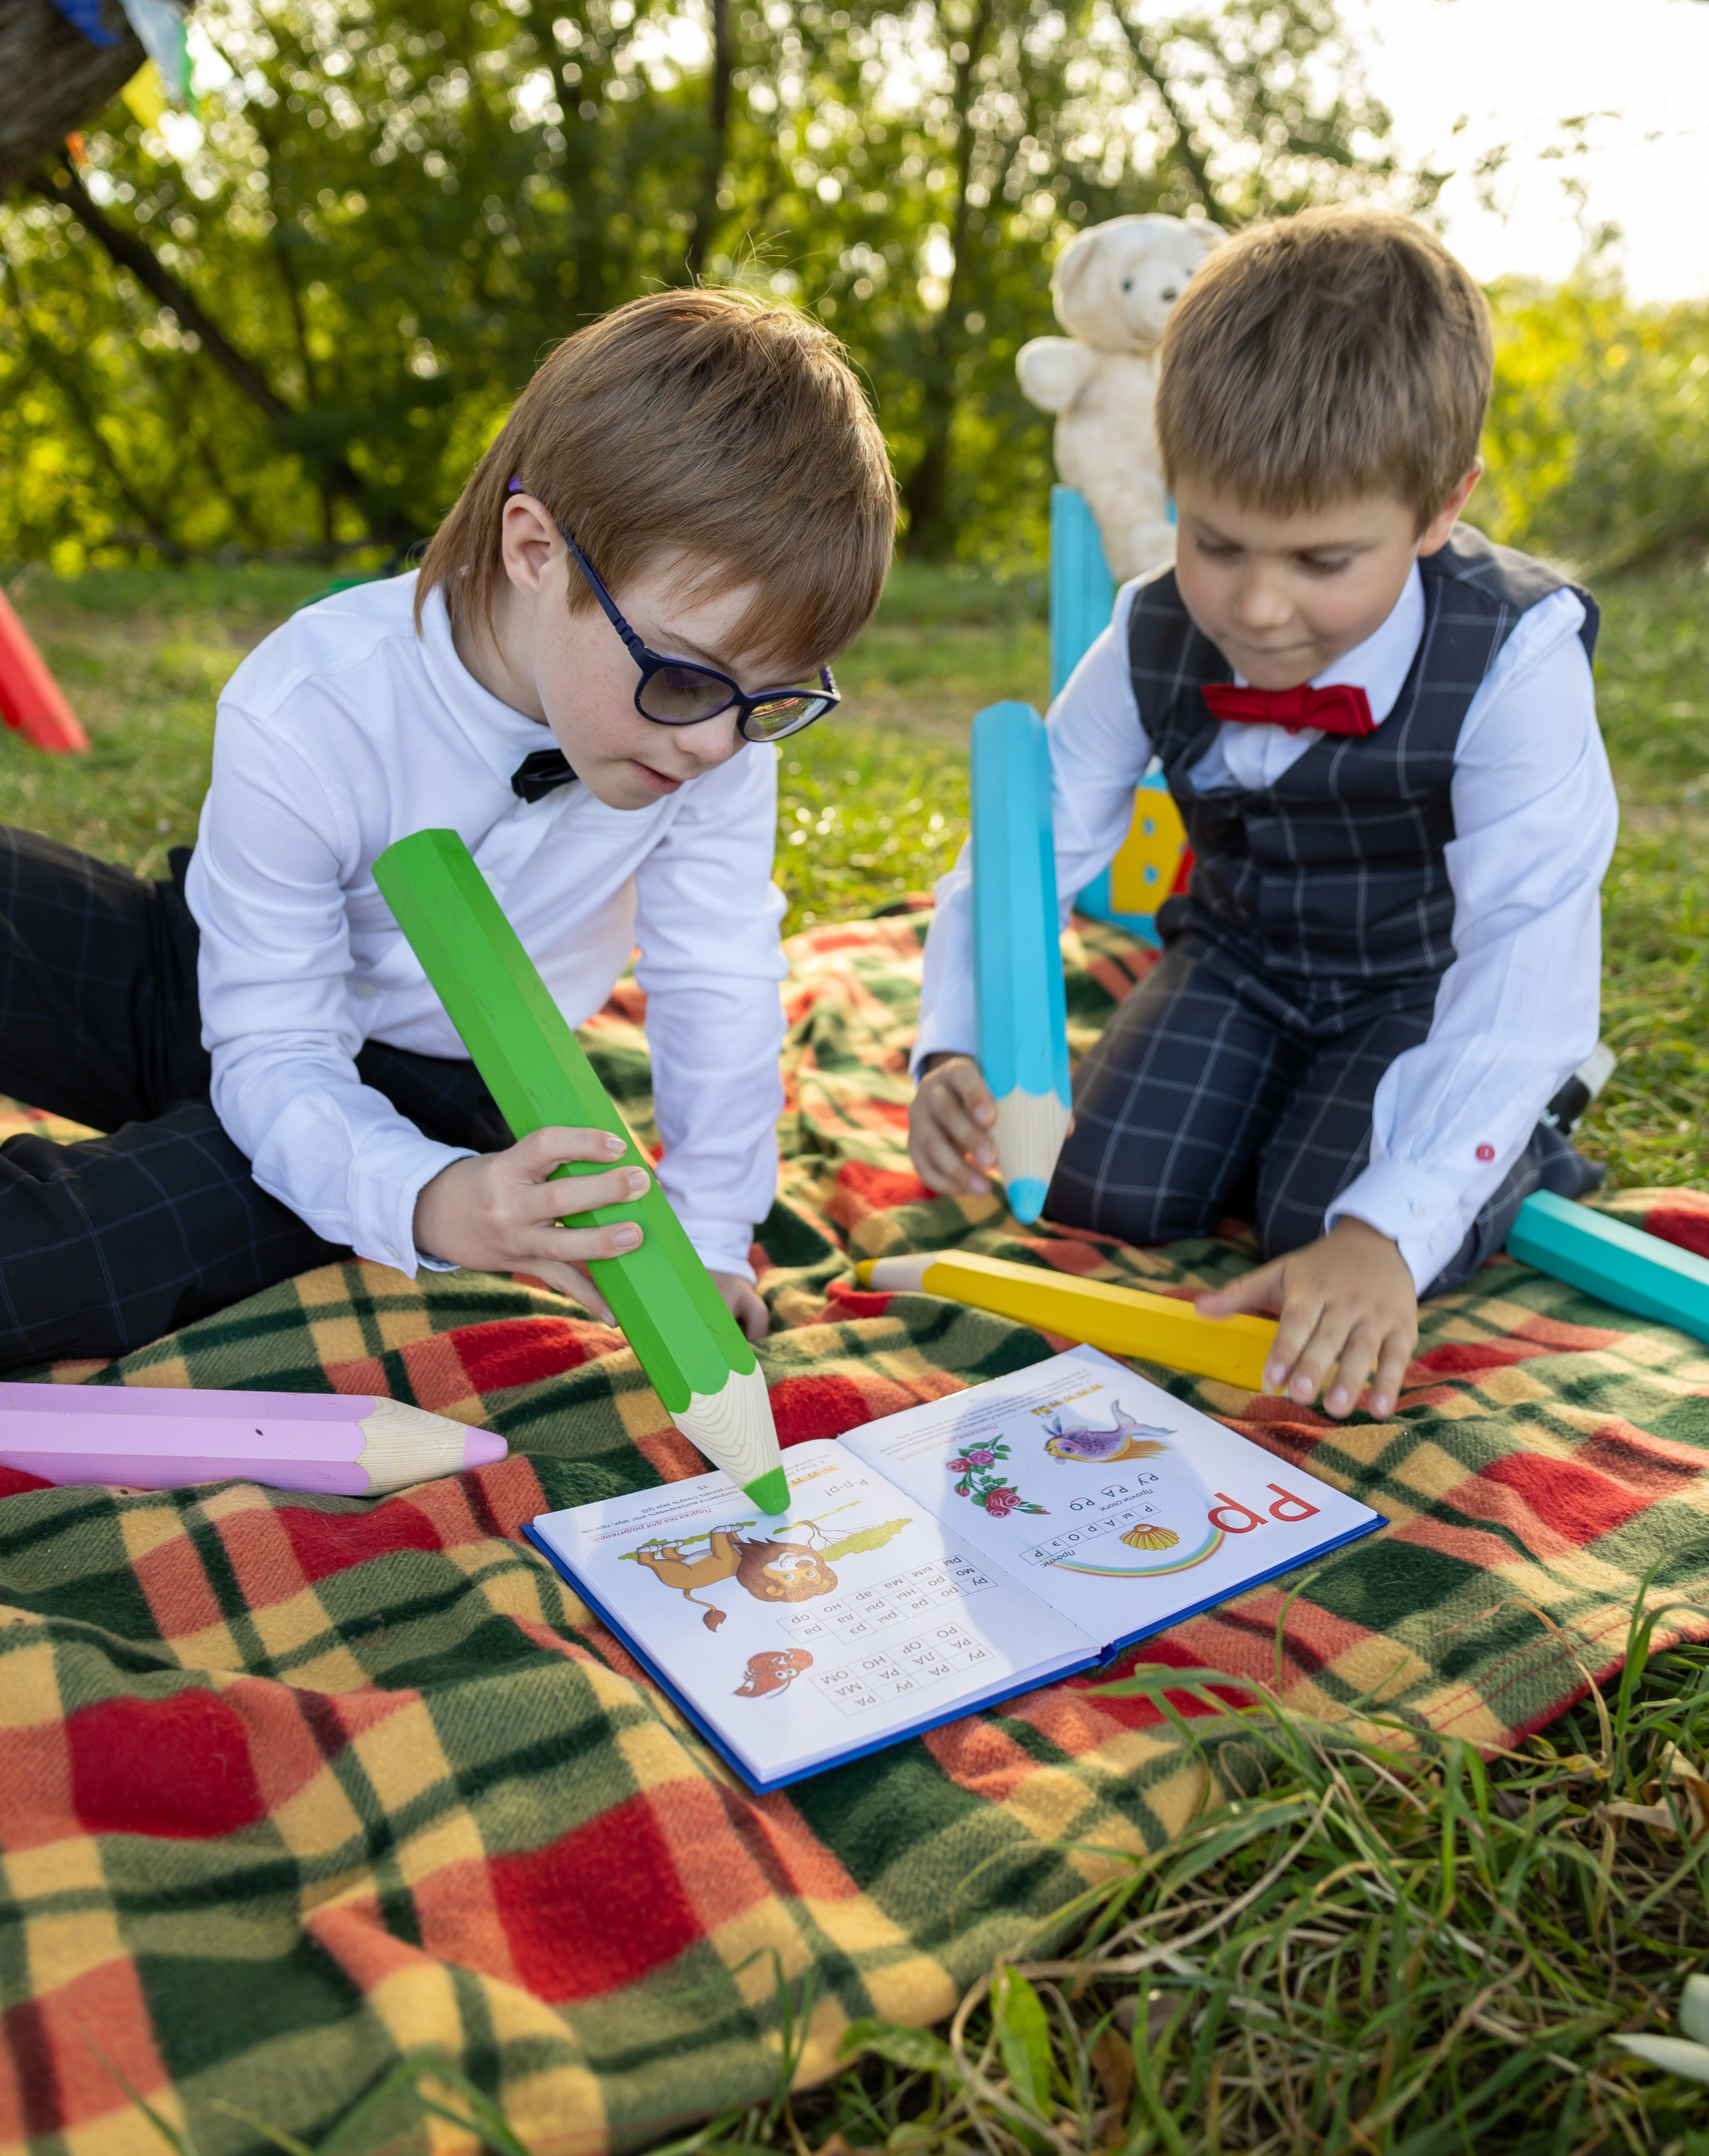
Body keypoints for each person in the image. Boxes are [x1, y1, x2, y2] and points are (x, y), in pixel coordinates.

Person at [0, 287, 896, 1370]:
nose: (717, 745)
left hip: (428, 1092)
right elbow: (271, 1036)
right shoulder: (312, 702)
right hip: (218, 976)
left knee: (65, 1259)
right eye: (683, 676)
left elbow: (718, 974)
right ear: (535, 549)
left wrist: (691, 1233)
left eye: (773, 699)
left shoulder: (715, 731)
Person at [911, 210, 1617, 1422]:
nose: (1257, 607)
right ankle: (1290, 1102)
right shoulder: (1151, 626)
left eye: (1322, 562)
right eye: (1215, 540)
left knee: (1326, 1228)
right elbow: (1032, 844)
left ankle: (1537, 1119)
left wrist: (1390, 1233)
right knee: (1100, 1187)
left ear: (1441, 509)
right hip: (1241, 953)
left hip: (1424, 984)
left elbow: (1527, 944)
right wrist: (960, 1041)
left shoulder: (1517, 653)